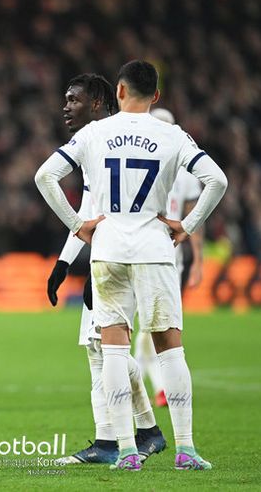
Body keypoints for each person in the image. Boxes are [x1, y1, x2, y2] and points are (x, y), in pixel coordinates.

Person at [35, 60, 227, 471]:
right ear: (156, 95)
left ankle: (125, 450)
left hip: (108, 250)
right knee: (170, 351)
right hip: (155, 249)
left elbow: (44, 176)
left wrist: (77, 226)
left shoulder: (94, 133)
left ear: (119, 91)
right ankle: (186, 450)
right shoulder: (172, 134)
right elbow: (218, 181)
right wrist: (187, 225)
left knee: (113, 351)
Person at [46, 74, 166, 465]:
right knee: (101, 348)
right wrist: (65, 262)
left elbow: (100, 213)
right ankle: (135, 433)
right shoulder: (102, 141)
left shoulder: (104, 141)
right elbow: (90, 211)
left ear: (97, 103)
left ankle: (119, 438)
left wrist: (99, 262)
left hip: (120, 259)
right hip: (118, 256)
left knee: (107, 350)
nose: (66, 107)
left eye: (74, 100)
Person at [134, 107, 204, 408]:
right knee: (145, 325)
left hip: (170, 256)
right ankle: (155, 386)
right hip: (137, 250)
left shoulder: (186, 172)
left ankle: (144, 384)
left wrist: (198, 260)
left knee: (157, 325)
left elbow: (193, 216)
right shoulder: (135, 162)